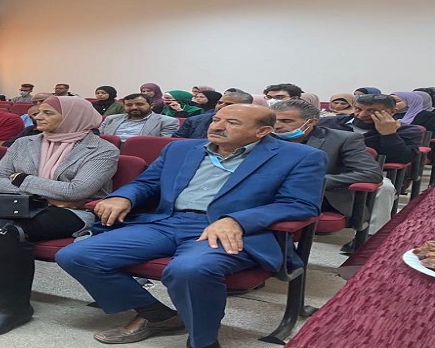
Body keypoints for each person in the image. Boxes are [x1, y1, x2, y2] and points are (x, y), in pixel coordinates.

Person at [56, 104, 327, 348]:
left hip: (230, 229)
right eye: (216, 119)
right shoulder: (181, 148)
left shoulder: (300, 156)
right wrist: (123, 196)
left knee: (189, 269)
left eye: (232, 123)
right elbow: (147, 183)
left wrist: (238, 220)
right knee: (76, 255)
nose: (217, 126)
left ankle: (203, 341)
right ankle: (157, 315)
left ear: (262, 131)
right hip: (168, 222)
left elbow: (300, 205)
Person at [0, 96, 118, 337]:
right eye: (38, 112)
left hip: (72, 211)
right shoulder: (25, 142)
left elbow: (77, 191)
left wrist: (22, 179)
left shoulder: (103, 150)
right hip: (22, 205)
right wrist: (41, 195)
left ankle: (14, 306)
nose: (37, 117)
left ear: (74, 117)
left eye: (47, 113)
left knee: (2, 229)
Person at [271, 100, 390, 242]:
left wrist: (316, 181)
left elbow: (371, 173)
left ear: (311, 122)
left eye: (286, 121)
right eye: (274, 120)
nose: (277, 126)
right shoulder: (263, 136)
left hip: (318, 196)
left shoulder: (342, 139)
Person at [317, 94, 422, 165]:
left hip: (375, 173)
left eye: (372, 111)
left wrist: (389, 134)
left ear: (393, 112)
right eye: (358, 109)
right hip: (325, 166)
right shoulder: (328, 123)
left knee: (386, 188)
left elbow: (402, 159)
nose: (362, 115)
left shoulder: (407, 131)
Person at [173, 91, 253, 139]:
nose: (220, 106)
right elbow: (176, 141)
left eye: (229, 104)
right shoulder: (194, 120)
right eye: (219, 103)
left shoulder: (251, 125)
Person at [100, 93, 179, 140]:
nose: (134, 107)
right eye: (129, 105)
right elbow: (97, 139)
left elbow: (162, 145)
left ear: (151, 106)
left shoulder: (167, 122)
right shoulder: (111, 119)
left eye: (139, 104)